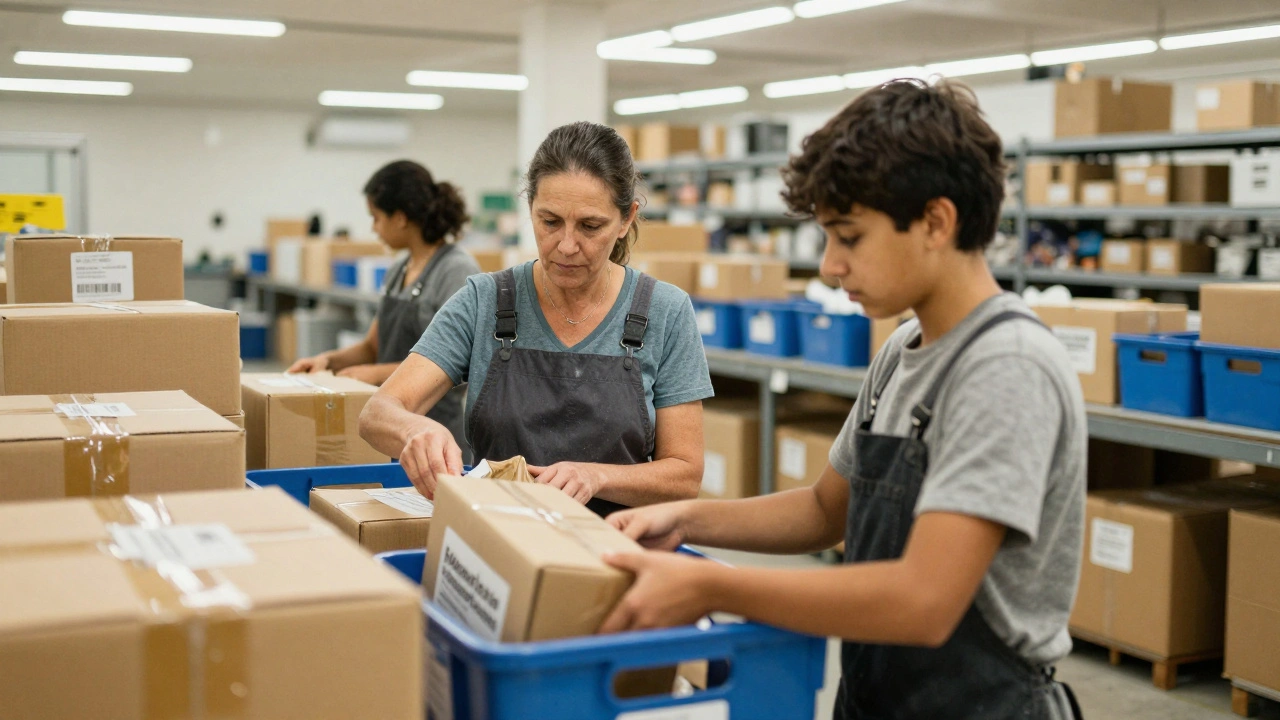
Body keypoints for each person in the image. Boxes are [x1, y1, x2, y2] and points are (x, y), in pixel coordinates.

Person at [597, 80, 1087, 720]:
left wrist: (711, 585)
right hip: (881, 696)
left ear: (937, 222)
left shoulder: (1006, 368)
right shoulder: (904, 350)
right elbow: (826, 511)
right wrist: (685, 521)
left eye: (849, 237)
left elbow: (924, 601)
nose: (829, 266)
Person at [359, 121, 714, 517]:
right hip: (497, 541)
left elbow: (684, 476)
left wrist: (598, 477)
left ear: (627, 219)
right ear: (529, 208)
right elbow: (377, 413)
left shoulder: (665, 312)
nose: (565, 245)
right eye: (549, 222)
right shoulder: (484, 302)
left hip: (616, 549)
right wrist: (415, 429)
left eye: (590, 226)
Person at [290, 160, 479, 461]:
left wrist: (375, 374)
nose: (373, 229)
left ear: (401, 218)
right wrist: (328, 361)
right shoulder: (397, 271)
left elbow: (457, 365)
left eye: (376, 217)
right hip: (390, 431)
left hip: (437, 435)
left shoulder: (455, 270)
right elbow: (371, 346)